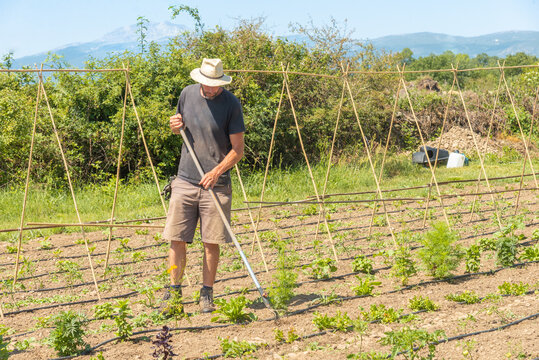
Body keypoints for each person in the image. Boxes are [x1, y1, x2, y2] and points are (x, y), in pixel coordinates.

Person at [160, 58, 245, 315]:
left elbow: (238, 151)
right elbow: (180, 127)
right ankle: (174, 293)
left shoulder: (231, 104)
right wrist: (175, 126)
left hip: (216, 185)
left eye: (215, 85)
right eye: (207, 84)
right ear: (200, 80)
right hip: (185, 179)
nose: (210, 89)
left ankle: (206, 293)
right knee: (177, 238)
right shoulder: (186, 94)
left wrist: (216, 171)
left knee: (211, 242)